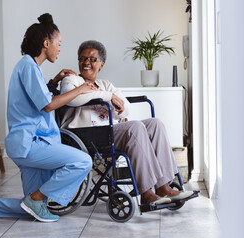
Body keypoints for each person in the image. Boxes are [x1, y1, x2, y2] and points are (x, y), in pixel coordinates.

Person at [0, 13, 95, 222]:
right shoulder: (27, 65)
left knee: (34, 205)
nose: (60, 48)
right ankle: (35, 201)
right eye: (59, 43)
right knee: (82, 161)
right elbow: (47, 105)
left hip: (27, 143)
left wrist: (54, 81)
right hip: (30, 144)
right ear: (46, 43)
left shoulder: (30, 66)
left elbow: (38, 96)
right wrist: (80, 89)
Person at [60, 40, 194, 205]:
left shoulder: (105, 84)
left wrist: (119, 106)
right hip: (83, 135)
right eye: (83, 58)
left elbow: (125, 108)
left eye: (93, 59)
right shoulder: (72, 81)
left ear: (101, 65)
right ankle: (145, 193)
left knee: (155, 124)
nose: (87, 62)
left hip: (106, 134)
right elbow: (72, 99)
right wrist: (108, 97)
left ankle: (163, 185)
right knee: (134, 127)